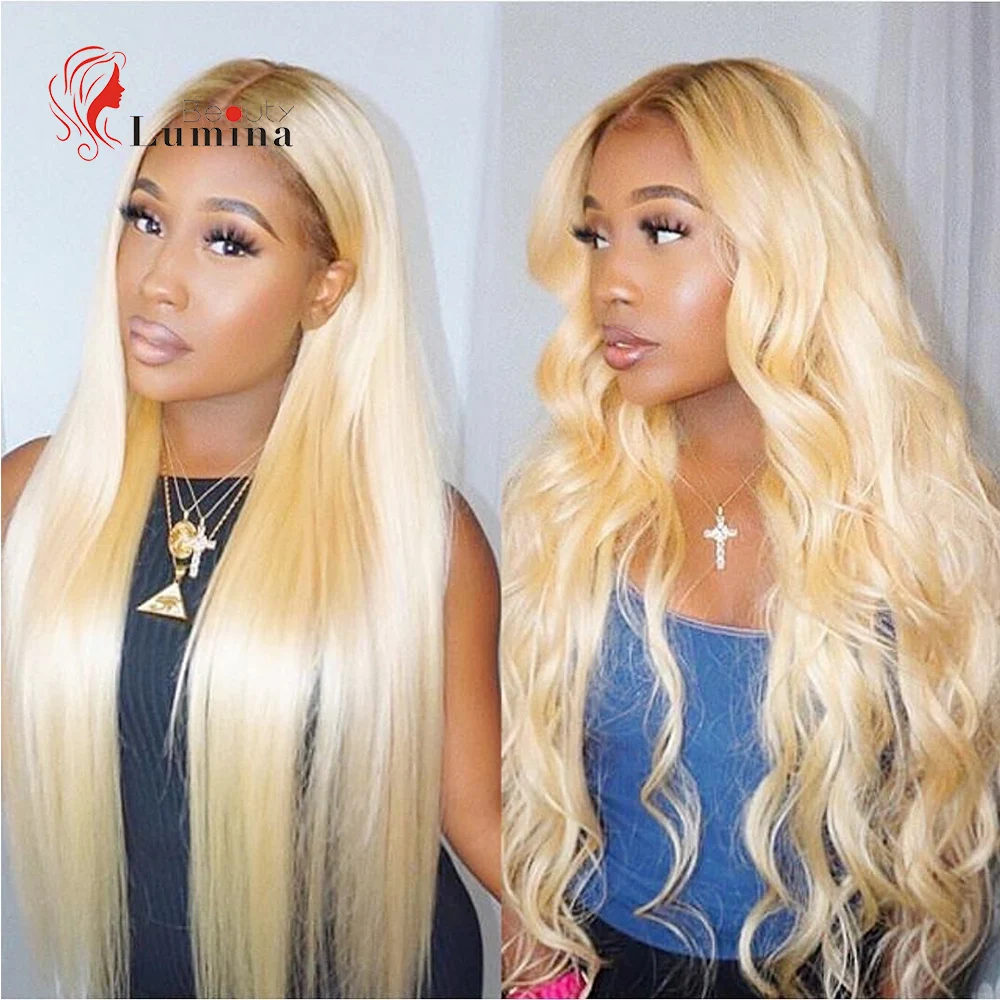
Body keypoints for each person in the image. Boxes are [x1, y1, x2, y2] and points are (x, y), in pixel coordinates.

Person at [500, 58, 1000, 1000]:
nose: (612, 281)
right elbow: (536, 814)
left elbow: (945, 859)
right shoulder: (576, 500)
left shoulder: (926, 520)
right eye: (597, 236)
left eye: (662, 230)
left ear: (789, 245)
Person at [2, 58, 500, 999]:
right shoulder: (35, 499)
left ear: (326, 288)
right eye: (146, 221)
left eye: (227, 242)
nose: (159, 279)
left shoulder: (415, 538)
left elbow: (485, 822)